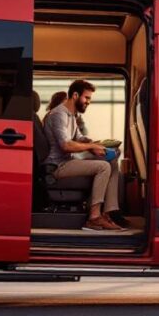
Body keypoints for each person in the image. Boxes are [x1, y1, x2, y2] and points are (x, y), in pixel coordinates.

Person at [44, 80, 124, 231]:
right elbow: (66, 145)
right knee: (103, 166)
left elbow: (79, 137)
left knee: (112, 160)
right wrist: (92, 146)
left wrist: (97, 144)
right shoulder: (58, 114)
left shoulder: (72, 115)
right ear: (75, 95)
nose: (88, 102)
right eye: (86, 98)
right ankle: (94, 218)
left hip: (69, 161)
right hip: (58, 166)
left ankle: (107, 213)